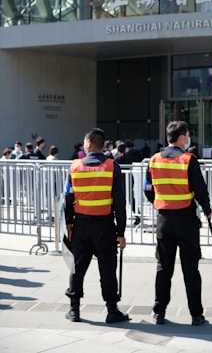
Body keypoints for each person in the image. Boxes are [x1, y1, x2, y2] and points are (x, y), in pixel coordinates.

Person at [145, 121, 212, 326]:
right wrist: (207, 210)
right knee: (190, 268)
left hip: (164, 219)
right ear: (182, 137)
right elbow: (200, 190)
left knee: (163, 267)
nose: (189, 137)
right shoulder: (188, 159)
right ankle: (196, 315)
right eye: (188, 134)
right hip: (186, 219)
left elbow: (148, 189)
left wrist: (161, 201)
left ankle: (159, 312)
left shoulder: (154, 160)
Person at [64, 128, 129, 324]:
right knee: (108, 269)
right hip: (105, 226)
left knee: (77, 267)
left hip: (81, 225)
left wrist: (68, 224)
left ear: (90, 143)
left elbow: (68, 199)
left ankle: (74, 310)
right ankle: (112, 310)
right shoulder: (112, 167)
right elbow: (119, 203)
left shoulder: (74, 167)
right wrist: (121, 232)